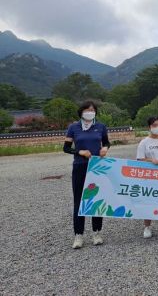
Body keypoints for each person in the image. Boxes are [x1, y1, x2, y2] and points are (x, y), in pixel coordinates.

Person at [64, 100, 110, 249]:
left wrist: (105, 149)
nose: (90, 112)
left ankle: (97, 233)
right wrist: (80, 152)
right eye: (87, 110)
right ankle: (78, 235)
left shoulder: (100, 127)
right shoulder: (73, 127)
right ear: (81, 112)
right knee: (79, 200)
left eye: (92, 110)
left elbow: (106, 143)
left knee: (96, 199)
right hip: (80, 166)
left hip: (97, 167)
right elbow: (66, 148)